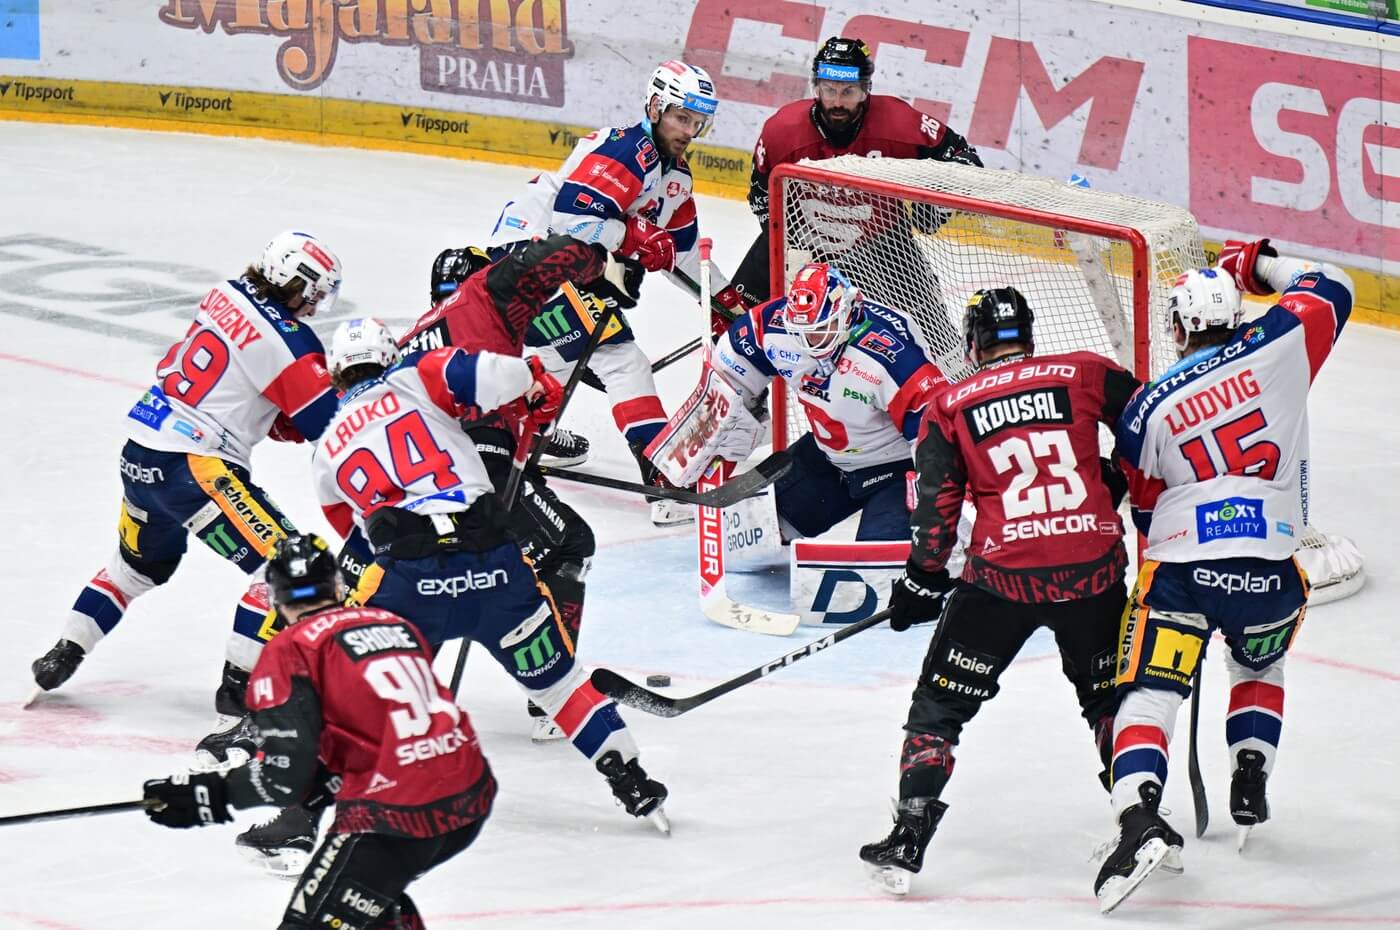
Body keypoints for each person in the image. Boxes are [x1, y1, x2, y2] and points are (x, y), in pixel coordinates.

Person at [1093, 241, 1353, 912]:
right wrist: (1256, 265)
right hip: (1271, 572)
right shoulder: (1282, 342)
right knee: (1259, 668)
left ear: (1180, 327)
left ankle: (1138, 819)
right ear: (1234, 315)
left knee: (1150, 697)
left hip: (1183, 574)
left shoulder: (1146, 407)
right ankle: (1251, 771)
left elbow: (1145, 510)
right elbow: (1333, 282)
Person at [857, 287, 1140, 895]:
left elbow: (937, 505)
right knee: (1108, 701)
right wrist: (1114, 480)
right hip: (1091, 570)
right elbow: (1150, 418)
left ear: (973, 341)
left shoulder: (949, 404)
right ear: (1028, 334)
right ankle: (1139, 819)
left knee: (940, 705)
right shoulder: (1086, 373)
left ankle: (910, 832)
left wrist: (922, 579)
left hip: (1002, 578)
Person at [30, 230, 343, 764]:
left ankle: (66, 649)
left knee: (134, 568)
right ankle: (238, 708)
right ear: (293, 281)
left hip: (140, 454)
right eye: (313, 293)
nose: (314, 306)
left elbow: (244, 385)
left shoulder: (226, 293)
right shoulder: (291, 344)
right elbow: (328, 425)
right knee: (285, 571)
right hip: (194, 467)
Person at [142, 533, 494, 929]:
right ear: (338, 587)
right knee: (371, 893)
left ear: (277, 600)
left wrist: (205, 796)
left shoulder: (289, 650)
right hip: (470, 796)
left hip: (395, 815)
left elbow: (282, 778)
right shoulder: (392, 624)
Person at [488, 59, 746, 525]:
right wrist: (630, 236)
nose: (689, 131)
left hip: (558, 270)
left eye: (698, 122)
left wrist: (721, 301)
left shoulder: (674, 175)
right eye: (681, 117)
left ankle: (520, 435)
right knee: (621, 360)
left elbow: (680, 251)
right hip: (528, 263)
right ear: (655, 106)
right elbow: (571, 220)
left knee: (562, 360)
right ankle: (665, 483)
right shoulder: (628, 152)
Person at [402, 236, 636, 740]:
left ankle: (383, 705)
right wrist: (603, 268)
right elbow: (553, 255)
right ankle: (558, 698)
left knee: (427, 576)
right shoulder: (484, 296)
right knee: (568, 545)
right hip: (468, 466)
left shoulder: (415, 337)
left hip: (398, 484)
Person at [730, 36, 983, 374]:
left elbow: (965, 159)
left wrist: (936, 204)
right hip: (805, 243)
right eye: (829, 90)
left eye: (848, 92)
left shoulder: (899, 122)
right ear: (817, 87)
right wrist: (785, 244)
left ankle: (957, 391)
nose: (837, 101)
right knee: (734, 320)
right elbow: (760, 194)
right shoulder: (782, 131)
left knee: (935, 338)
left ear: (866, 90)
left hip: (885, 245)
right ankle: (744, 394)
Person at [649, 262, 944, 544]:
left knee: (875, 567)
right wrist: (701, 448)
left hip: (895, 469)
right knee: (747, 532)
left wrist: (935, 497)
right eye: (801, 332)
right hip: (828, 458)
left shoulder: (891, 355)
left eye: (819, 330)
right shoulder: (772, 326)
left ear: (845, 314)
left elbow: (938, 429)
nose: (808, 342)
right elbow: (728, 382)